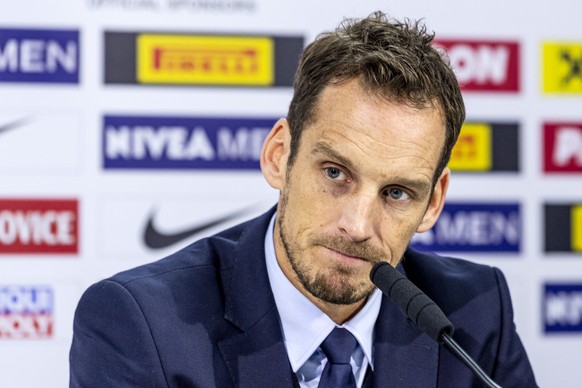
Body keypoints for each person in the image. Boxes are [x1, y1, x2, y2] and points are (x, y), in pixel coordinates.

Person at [69, 11, 538, 387]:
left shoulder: (473, 315)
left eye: (396, 193)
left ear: (432, 203)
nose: (357, 225)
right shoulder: (141, 326)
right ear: (279, 156)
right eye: (335, 173)